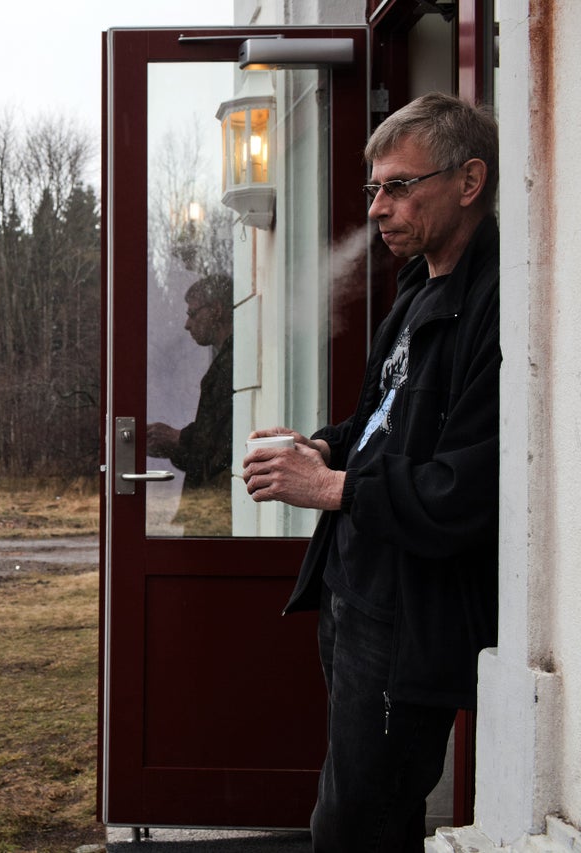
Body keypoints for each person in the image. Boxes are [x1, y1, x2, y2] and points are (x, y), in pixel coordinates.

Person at [241, 93, 500, 852]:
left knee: (357, 824)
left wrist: (327, 487)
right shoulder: (418, 285)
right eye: (372, 189)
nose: (378, 208)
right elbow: (379, 427)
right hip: (359, 594)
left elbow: (467, 492)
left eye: (398, 186)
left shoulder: (497, 304)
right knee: (354, 808)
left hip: (408, 617)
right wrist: (322, 446)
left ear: (469, 180)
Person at [147, 273, 233, 535]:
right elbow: (209, 450)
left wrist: (177, 438)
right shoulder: (224, 362)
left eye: (192, 314)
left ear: (216, 311)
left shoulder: (232, 364)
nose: (187, 324)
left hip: (218, 514)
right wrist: (174, 446)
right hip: (210, 510)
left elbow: (225, 444)